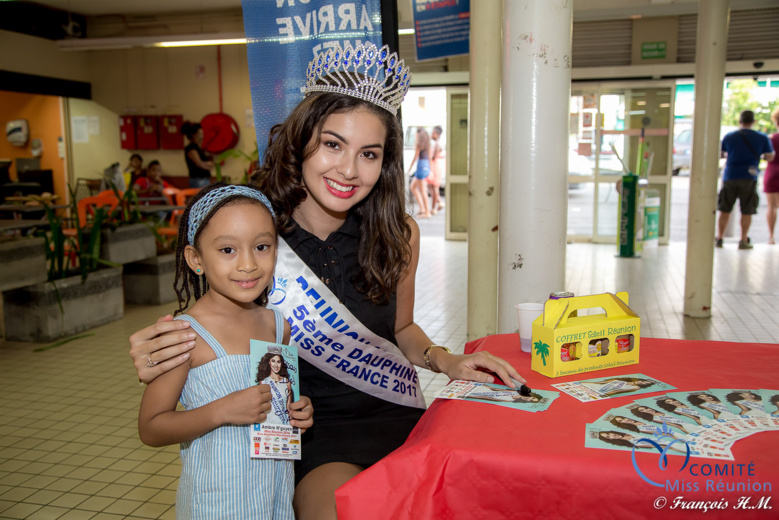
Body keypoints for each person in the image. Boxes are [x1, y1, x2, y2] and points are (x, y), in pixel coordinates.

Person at [128, 43, 524, 520]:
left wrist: (446, 360)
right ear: (301, 141)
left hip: (396, 415)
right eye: (333, 145)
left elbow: (401, 328)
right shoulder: (257, 231)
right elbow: (209, 322)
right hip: (310, 430)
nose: (349, 170)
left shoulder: (398, 232)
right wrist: (160, 350)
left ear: (385, 162)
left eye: (368, 153)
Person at [137, 183, 313, 518]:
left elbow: (275, 402)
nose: (248, 264)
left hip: (274, 495)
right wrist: (221, 411)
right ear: (196, 259)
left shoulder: (278, 325)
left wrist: (295, 412)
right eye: (228, 250)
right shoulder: (185, 335)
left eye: (261, 246)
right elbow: (151, 427)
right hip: (216, 503)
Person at [716, 110, 775, 249]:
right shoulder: (761, 137)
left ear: (740, 121)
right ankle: (743, 240)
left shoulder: (730, 136)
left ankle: (720, 238)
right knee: (747, 210)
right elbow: (770, 156)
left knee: (725, 208)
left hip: (730, 175)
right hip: (749, 176)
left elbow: (721, 153)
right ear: (754, 122)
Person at [255, 349, 294, 425]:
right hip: (268, 423)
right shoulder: (263, 382)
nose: (276, 365)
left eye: (278, 362)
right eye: (273, 361)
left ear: (281, 363)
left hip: (284, 424)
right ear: (269, 362)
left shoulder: (287, 382)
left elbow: (289, 407)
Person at [407, 127, 432, 218]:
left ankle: (427, 212)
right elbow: (429, 157)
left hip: (421, 166)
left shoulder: (419, 144)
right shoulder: (428, 144)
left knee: (422, 190)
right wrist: (430, 169)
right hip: (426, 166)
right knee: (413, 187)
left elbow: (415, 157)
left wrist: (409, 168)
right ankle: (422, 209)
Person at [182, 121, 215, 188]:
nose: (202, 136)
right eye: (200, 134)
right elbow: (199, 163)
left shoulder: (199, 148)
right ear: (193, 135)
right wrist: (208, 165)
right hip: (198, 180)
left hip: (204, 179)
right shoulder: (191, 148)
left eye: (202, 134)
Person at [764, 108, 779, 244]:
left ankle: (771, 236)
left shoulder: (770, 138)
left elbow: (765, 156)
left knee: (772, 206)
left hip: (772, 172)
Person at [426, 125, 445, 215]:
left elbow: (433, 156)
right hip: (436, 166)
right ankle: (439, 202)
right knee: (431, 186)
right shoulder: (437, 143)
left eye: (433, 133)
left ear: (437, 134)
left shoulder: (437, 144)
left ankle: (434, 208)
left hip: (435, 167)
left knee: (434, 187)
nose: (432, 134)